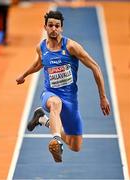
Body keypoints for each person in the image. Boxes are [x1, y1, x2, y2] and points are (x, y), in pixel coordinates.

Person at [16, 10, 110, 163]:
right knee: (55, 103)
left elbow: (95, 67)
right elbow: (39, 64)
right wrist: (24, 75)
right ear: (45, 27)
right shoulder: (41, 47)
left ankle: (42, 120)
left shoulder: (71, 47)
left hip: (71, 101)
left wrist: (103, 97)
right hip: (50, 94)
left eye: (57, 26)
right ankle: (56, 141)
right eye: (50, 25)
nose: (54, 28)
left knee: (76, 146)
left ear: (61, 28)